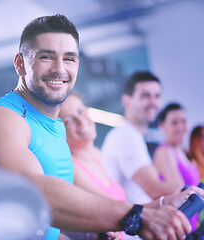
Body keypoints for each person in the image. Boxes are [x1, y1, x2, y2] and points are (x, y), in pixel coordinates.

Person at [0, 15, 197, 240]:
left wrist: (164, 204)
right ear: (20, 64)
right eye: (46, 56)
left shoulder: (55, 128)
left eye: (69, 58)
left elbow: (60, 219)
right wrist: (134, 218)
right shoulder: (1, 118)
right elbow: (28, 191)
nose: (59, 69)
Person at [59, 93, 202, 239]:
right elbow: (115, 210)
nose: (80, 120)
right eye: (68, 120)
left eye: (81, 111)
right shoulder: (72, 168)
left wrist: (166, 201)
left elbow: (125, 208)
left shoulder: (97, 155)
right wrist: (164, 201)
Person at [101, 71, 183, 206]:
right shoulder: (125, 136)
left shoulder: (134, 136)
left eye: (157, 96)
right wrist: (185, 190)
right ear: (126, 100)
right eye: (145, 96)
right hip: (131, 224)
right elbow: (155, 190)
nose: (153, 102)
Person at [153, 103, 200, 230]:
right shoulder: (165, 151)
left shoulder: (185, 155)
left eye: (183, 121)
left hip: (189, 226)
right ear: (162, 126)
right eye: (174, 122)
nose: (180, 127)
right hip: (174, 228)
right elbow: (178, 189)